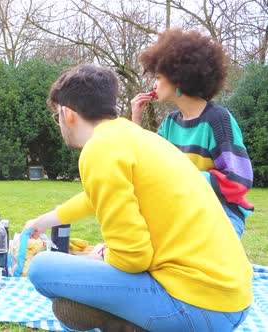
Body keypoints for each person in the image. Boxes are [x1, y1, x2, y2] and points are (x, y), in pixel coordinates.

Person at [24, 64, 252, 331]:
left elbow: (133, 257)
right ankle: (122, 321)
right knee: (73, 280)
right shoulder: (137, 138)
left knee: (42, 268)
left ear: (68, 114)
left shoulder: (100, 149)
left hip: (197, 306)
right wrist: (43, 221)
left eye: (57, 117)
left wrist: (89, 263)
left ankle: (123, 319)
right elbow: (94, 197)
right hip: (233, 299)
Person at [131, 28, 253, 238]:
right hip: (185, 212)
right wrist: (135, 120)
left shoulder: (217, 120)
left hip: (221, 214)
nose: (154, 84)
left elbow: (239, 179)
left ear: (178, 79)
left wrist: (182, 178)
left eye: (158, 77)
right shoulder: (171, 123)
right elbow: (148, 166)